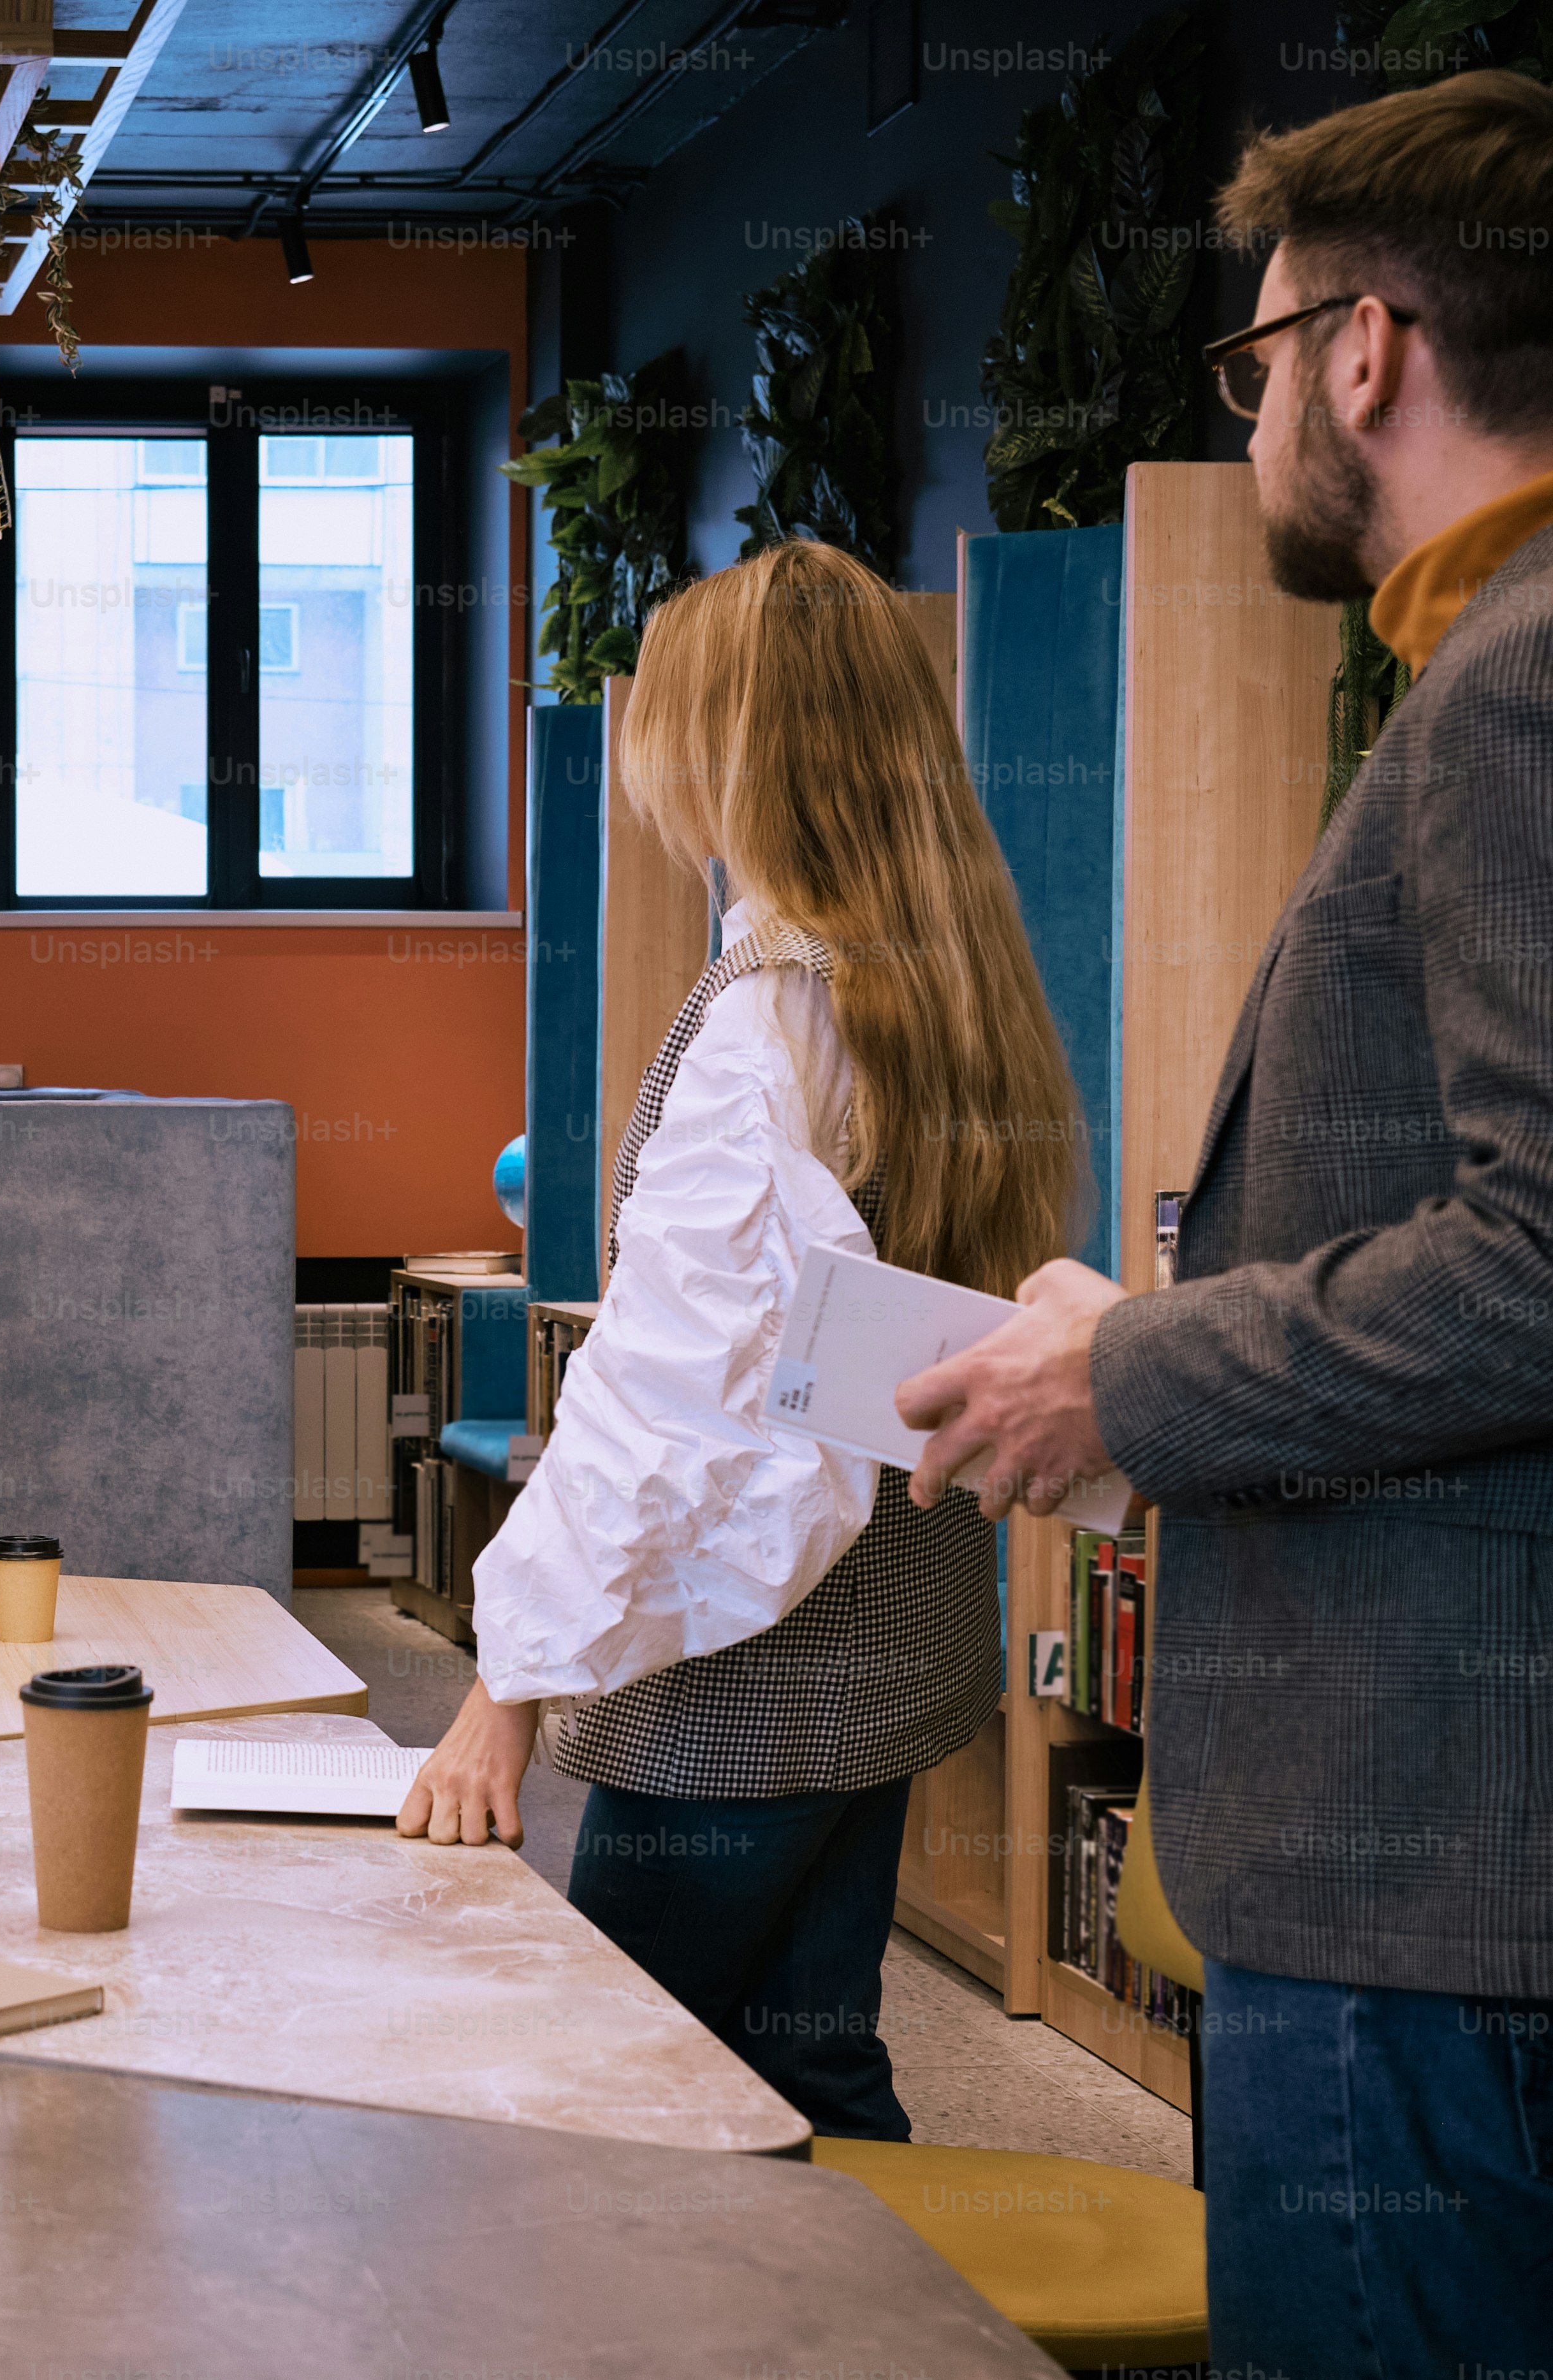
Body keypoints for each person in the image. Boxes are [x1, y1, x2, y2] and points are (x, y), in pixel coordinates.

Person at [901, 70, 1553, 2365]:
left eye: (1252, 361)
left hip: (1428, 1876)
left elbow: (1545, 1255)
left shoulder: (1513, 685)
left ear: (1365, 351)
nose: (1261, 411)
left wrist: (1137, 1369)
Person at [397, 541, 1081, 2140]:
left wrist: (510, 1676)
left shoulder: (768, 1009)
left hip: (743, 1680)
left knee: (622, 2103)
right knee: (809, 2064)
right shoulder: (940, 977)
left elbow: (669, 1408)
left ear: (735, 748)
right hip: (893, 1641)